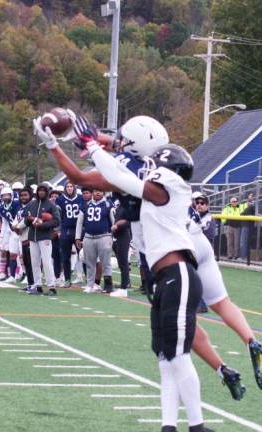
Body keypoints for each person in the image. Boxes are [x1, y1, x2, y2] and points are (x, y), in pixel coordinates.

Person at [35, 113, 262, 403]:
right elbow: (120, 143)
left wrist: (53, 143)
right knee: (221, 302)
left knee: (181, 323)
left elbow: (81, 176)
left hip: (165, 252)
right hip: (194, 235)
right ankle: (251, 340)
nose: (117, 140)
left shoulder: (127, 171)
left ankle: (222, 368)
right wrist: (80, 135)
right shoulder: (163, 164)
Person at [85, 139, 210, 431]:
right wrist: (106, 145)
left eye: (155, 166)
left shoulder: (171, 188)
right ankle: (169, 426)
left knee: (178, 355)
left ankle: (197, 425)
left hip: (178, 274)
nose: (149, 170)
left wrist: (93, 148)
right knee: (166, 358)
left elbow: (119, 176)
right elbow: (120, 175)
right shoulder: (157, 196)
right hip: (163, 279)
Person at [76, 189, 115, 294]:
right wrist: (77, 237)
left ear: (103, 192)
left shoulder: (108, 204)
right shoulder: (86, 205)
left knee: (105, 262)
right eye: (96, 191)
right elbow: (79, 223)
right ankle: (90, 285)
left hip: (104, 236)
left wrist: (114, 237)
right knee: (90, 262)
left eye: (100, 191)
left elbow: (114, 222)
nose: (98, 193)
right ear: (92, 192)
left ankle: (108, 284)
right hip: (88, 237)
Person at [24, 182, 61, 295]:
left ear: (47, 192)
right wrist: (30, 220)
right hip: (32, 236)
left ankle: (51, 287)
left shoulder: (51, 205)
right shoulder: (31, 204)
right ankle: (37, 285)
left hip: (44, 237)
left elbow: (56, 220)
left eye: (43, 190)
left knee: (46, 262)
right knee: (34, 262)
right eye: (39, 190)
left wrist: (43, 225)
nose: (41, 192)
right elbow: (26, 220)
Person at [55, 181, 84, 288]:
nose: (70, 188)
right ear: (65, 188)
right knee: (65, 256)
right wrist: (58, 230)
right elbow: (58, 216)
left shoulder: (81, 197)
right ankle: (67, 279)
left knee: (83, 255)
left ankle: (83, 277)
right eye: (68, 186)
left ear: (75, 188)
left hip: (79, 230)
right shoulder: (60, 199)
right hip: (66, 230)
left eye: (71, 186)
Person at [13, 187, 35, 292]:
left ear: (30, 196)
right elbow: (14, 222)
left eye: (25, 195)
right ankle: (30, 284)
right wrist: (14, 227)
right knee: (26, 263)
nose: (23, 197)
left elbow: (28, 221)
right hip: (22, 238)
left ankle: (34, 285)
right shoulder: (21, 208)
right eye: (21, 195)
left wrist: (17, 227)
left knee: (31, 263)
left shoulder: (32, 207)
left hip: (30, 238)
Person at [112, 201, 132, 290]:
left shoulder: (127, 206)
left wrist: (117, 225)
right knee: (121, 262)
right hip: (117, 236)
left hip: (123, 236)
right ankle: (124, 283)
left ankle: (125, 285)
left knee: (123, 262)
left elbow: (128, 221)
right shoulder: (120, 206)